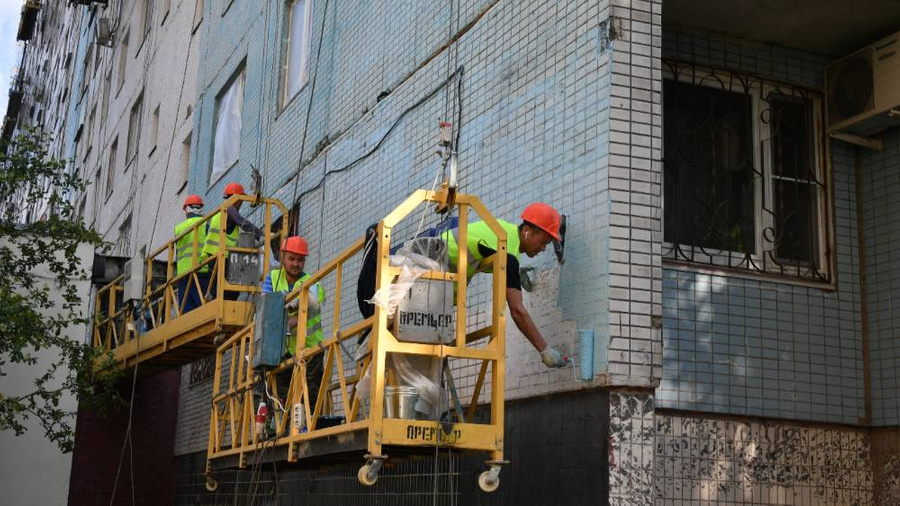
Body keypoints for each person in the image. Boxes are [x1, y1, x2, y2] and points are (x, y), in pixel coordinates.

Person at [441, 202, 568, 368]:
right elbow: (517, 311)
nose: (543, 249)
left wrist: (516, 273)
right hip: (430, 271)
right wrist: (544, 350)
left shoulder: (503, 234)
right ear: (527, 232)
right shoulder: (507, 251)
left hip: (434, 277)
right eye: (543, 242)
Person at [262, 236, 327, 410]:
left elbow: (314, 303)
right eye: (291, 258)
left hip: (310, 351)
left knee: (310, 400)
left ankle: (307, 430)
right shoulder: (272, 277)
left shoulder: (311, 281)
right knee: (281, 400)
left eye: (300, 260)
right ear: (282, 256)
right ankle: (279, 429)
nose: (296, 264)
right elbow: (265, 305)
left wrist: (295, 308)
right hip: (281, 352)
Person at [202, 182, 262, 300]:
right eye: (241, 200)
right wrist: (261, 234)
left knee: (226, 287)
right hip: (219, 256)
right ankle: (213, 297)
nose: (241, 204)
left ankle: (212, 297)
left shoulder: (220, 212)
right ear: (237, 199)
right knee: (232, 288)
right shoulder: (229, 209)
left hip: (214, 255)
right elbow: (243, 223)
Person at [174, 194, 208, 313]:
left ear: (186, 209)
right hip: (202, 270)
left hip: (183, 274)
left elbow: (177, 253)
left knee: (185, 311)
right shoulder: (206, 223)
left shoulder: (178, 228)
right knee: (203, 308)